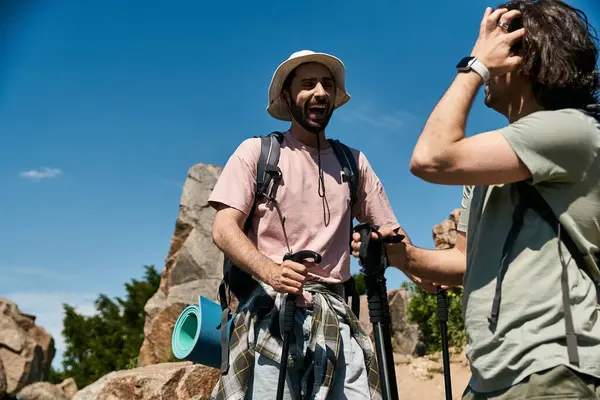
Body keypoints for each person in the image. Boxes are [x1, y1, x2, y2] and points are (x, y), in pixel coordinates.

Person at [352, 1, 600, 399]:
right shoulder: (493, 167)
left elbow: (431, 158)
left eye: (493, 43)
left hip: (553, 368)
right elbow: (464, 262)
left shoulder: (572, 130)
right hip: (491, 375)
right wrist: (403, 255)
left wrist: (475, 65)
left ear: (522, 56)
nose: (481, 54)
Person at [207, 49, 406, 400]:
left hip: (336, 320)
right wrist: (270, 271)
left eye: (327, 85)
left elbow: (391, 234)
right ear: (287, 96)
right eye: (308, 84)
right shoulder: (257, 153)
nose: (320, 92)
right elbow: (223, 228)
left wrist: (424, 273)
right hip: (270, 318)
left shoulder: (353, 163)